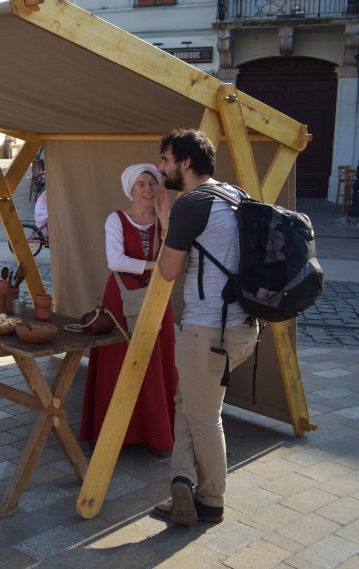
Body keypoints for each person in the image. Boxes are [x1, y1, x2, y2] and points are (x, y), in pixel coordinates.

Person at [153, 128, 259, 527]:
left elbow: (168, 271)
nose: (161, 168)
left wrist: (166, 223)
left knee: (205, 416)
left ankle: (211, 501)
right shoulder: (236, 196)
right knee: (188, 403)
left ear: (185, 162)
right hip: (243, 327)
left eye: (166, 160)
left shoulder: (191, 204)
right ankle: (182, 480)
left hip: (207, 330)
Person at [79, 164, 176, 454]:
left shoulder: (165, 220)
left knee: (155, 360)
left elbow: (175, 256)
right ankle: (117, 433)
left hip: (156, 296)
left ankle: (156, 432)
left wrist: (164, 220)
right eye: (141, 184)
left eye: (152, 183)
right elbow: (116, 260)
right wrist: (154, 265)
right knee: (120, 361)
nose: (148, 189)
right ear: (130, 189)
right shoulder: (116, 219)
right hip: (122, 298)